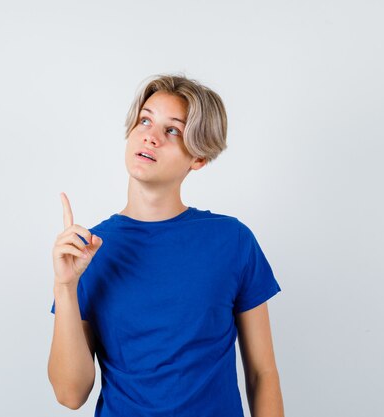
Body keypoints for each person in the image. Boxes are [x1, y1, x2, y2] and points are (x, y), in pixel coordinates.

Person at [48, 73, 284, 417]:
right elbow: (70, 395)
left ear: (198, 158)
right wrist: (65, 287)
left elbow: (263, 374)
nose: (150, 136)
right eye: (145, 120)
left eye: (171, 130)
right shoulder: (87, 251)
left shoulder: (233, 241)